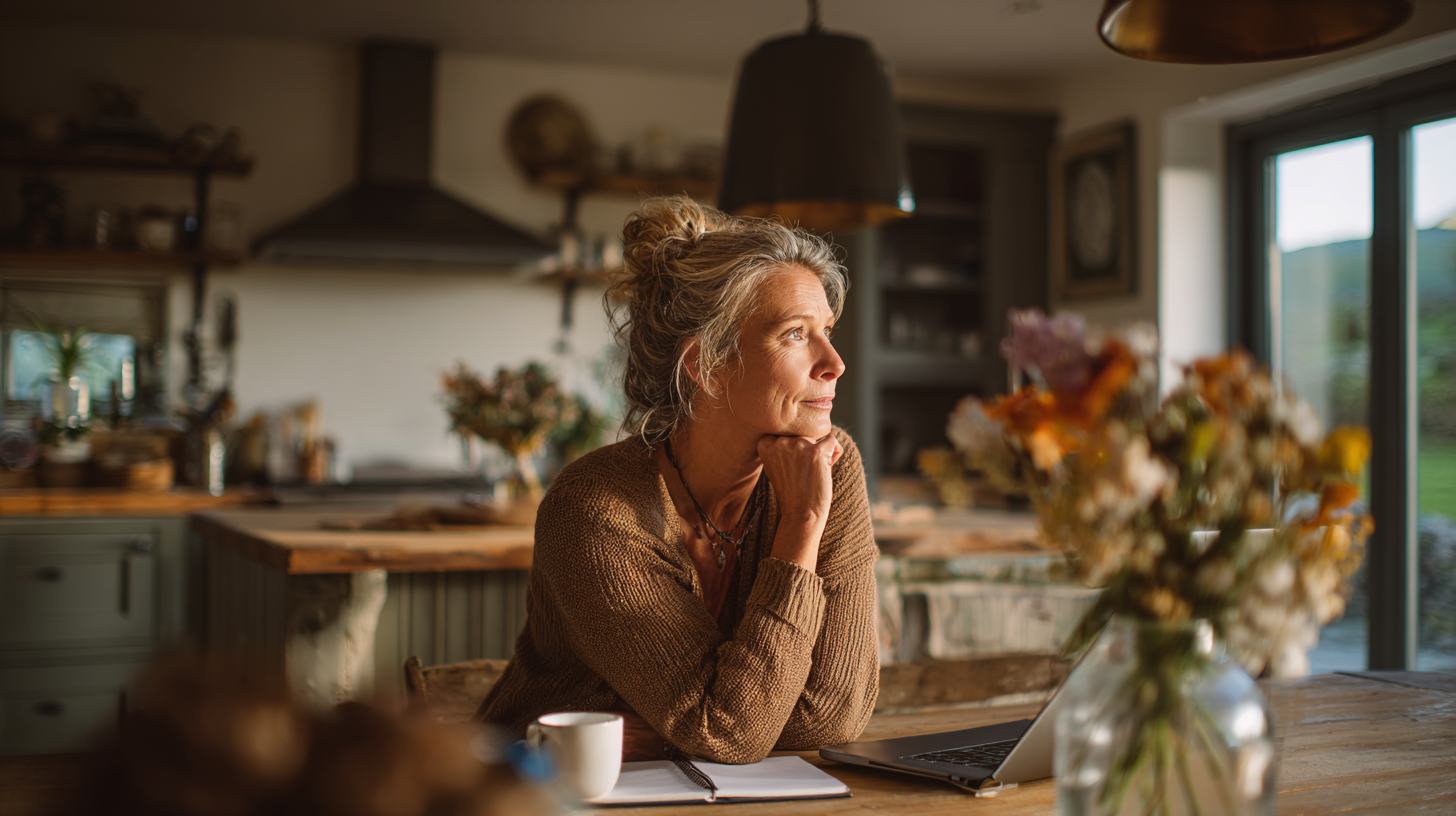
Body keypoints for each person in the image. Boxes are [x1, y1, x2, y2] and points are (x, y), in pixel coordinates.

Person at [476, 196, 878, 764]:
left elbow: (832, 714)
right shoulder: (594, 509)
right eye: (794, 334)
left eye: (827, 331)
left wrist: (680, 730)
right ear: (706, 365)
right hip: (548, 790)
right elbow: (731, 733)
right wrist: (803, 525)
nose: (833, 362)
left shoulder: (832, 466)